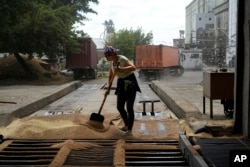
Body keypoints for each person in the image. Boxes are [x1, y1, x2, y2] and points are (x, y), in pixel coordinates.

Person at [104, 46, 141, 136]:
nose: (106, 58)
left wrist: (121, 69)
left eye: (107, 56)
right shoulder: (112, 63)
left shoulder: (122, 59)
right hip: (121, 83)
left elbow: (133, 67)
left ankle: (129, 130)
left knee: (129, 107)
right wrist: (108, 88)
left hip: (130, 82)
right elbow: (110, 76)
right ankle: (126, 125)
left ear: (112, 55)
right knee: (120, 106)